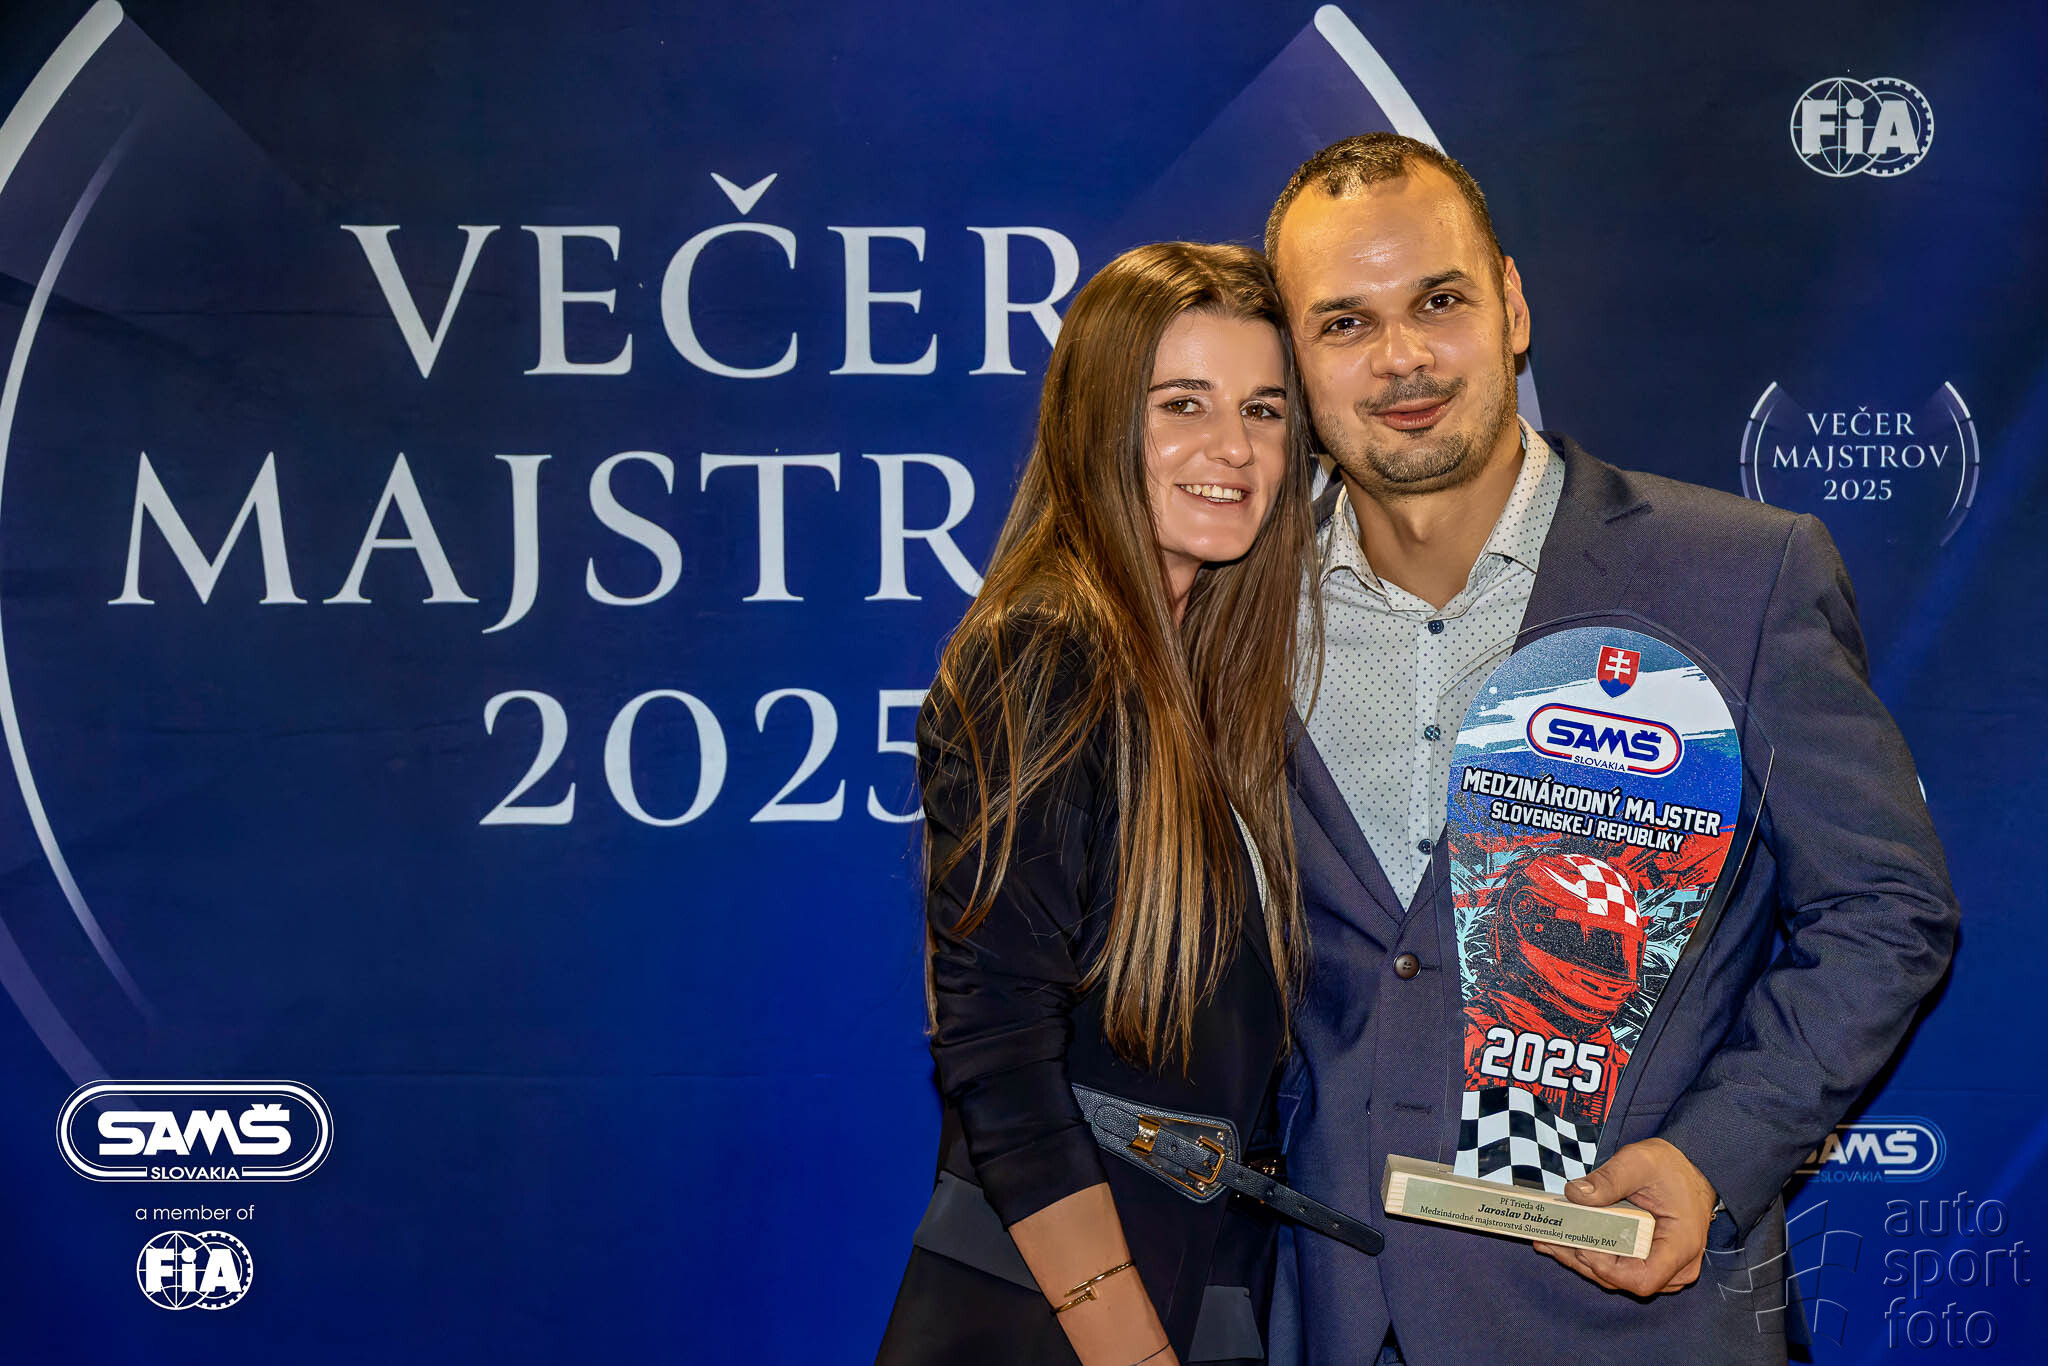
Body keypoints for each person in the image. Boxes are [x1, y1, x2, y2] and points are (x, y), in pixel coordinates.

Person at [1262, 134, 1959, 1365]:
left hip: (1625, 1309)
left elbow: (1883, 907)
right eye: (1343, 323)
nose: (1401, 358)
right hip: (1322, 1308)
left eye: (1438, 300)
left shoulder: (1736, 574)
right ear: (1292, 356)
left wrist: (1712, 1153)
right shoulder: (1235, 615)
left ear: (1512, 305)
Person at [877, 242, 1324, 1365]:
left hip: (1194, 1291)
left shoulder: (1204, 685)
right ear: (1097, 424)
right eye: (1183, 404)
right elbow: (1000, 1059)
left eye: (1264, 410)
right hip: (1063, 1322)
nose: (1234, 448)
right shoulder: (1043, 652)